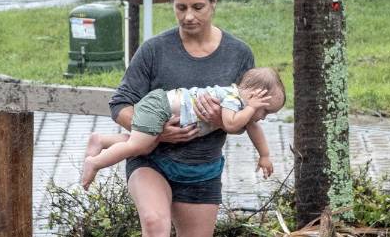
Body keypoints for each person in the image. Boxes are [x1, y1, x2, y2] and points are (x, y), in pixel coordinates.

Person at [108, 0, 272, 237]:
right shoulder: (154, 50)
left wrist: (233, 126)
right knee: (153, 222)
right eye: (181, 7)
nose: (189, 17)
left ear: (214, 3)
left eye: (198, 6)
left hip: (202, 170)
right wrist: (158, 131)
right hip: (154, 159)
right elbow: (120, 106)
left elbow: (253, 110)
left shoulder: (238, 53)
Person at [81, 66, 285, 189]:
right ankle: (95, 163)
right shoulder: (232, 98)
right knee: (137, 146)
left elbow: (253, 128)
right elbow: (231, 125)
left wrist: (264, 155)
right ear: (254, 96)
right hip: (159, 106)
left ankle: (102, 141)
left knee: (145, 145)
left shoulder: (243, 105)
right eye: (265, 111)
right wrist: (252, 110)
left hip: (161, 106)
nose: (264, 117)